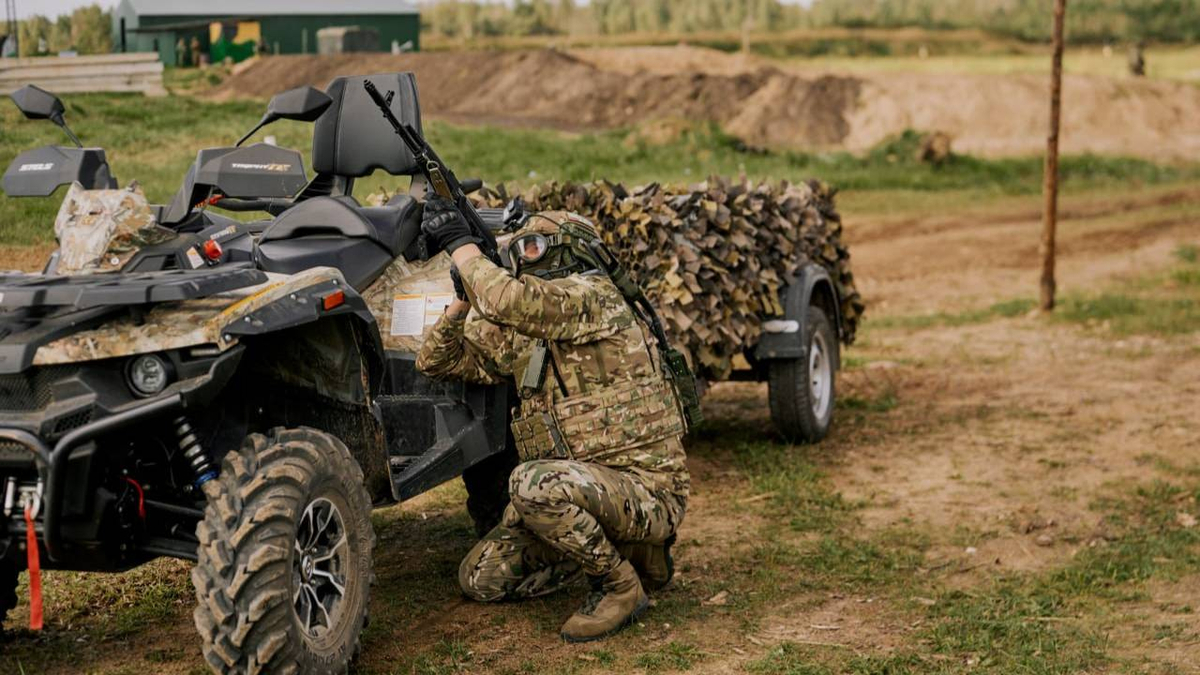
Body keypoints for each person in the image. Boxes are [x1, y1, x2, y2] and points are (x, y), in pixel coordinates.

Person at [416, 196, 691, 643]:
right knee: (480, 579)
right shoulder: (530, 333)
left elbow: (509, 300)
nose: (524, 260)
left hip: (646, 490)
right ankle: (627, 550)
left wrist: (462, 247)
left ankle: (618, 586)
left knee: (530, 483)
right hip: (579, 491)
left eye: (533, 248)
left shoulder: (595, 297)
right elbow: (435, 361)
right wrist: (462, 301)